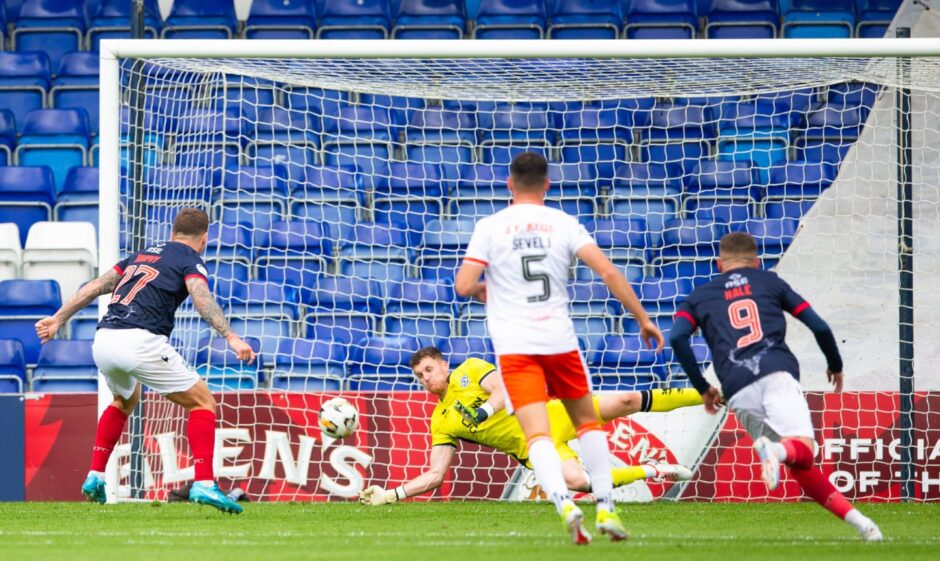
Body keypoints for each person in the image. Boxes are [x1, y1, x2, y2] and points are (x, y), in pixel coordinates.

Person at [451, 152, 665, 544]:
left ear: (509, 184)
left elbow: (463, 285)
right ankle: (606, 508)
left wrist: (490, 290)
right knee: (587, 423)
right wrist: (643, 318)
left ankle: (565, 504)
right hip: (559, 343)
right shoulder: (563, 223)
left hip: (516, 348)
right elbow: (608, 271)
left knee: (537, 437)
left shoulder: (491, 226)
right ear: (547, 184)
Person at [34, 208, 256, 514]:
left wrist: (58, 319)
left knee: (124, 400)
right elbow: (201, 297)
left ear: (172, 233)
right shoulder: (190, 259)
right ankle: (205, 483)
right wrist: (231, 336)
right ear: (203, 240)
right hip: (139, 340)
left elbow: (96, 286)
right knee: (203, 402)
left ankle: (95, 475)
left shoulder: (139, 256)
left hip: (104, 340)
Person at [669, 231, 882, 541]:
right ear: (756, 262)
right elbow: (819, 325)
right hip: (775, 373)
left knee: (799, 465)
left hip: (736, 388)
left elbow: (676, 337)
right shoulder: (770, 282)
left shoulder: (698, 296)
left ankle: (863, 525)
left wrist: (703, 387)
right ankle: (775, 450)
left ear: (718, 264)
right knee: (804, 452)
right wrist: (835, 364)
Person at [359, 348, 700, 508]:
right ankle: (655, 470)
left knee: (626, 400)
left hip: (552, 414)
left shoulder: (470, 370)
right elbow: (435, 476)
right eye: (419, 376)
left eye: (429, 369)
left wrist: (484, 411)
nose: (426, 378)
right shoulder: (441, 421)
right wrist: (391, 494)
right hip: (534, 450)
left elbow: (504, 389)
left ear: (444, 365)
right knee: (580, 482)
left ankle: (708, 394)